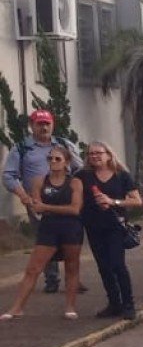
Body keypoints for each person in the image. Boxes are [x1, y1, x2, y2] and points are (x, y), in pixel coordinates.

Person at [1, 143, 84, 320]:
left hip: (71, 228)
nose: (53, 161)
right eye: (50, 158)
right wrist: (48, 207)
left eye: (57, 159)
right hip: (49, 228)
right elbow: (37, 208)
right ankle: (17, 307)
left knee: (71, 267)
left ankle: (70, 306)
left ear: (66, 162)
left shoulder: (74, 182)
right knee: (33, 268)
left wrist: (47, 207)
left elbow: (75, 209)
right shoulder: (39, 181)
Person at [8, 110, 81, 295]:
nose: (44, 127)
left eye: (47, 123)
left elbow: (79, 169)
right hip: (38, 202)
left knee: (71, 240)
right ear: (32, 126)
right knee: (46, 240)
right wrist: (23, 195)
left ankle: (73, 280)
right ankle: (52, 279)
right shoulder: (21, 148)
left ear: (53, 125)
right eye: (40, 124)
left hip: (65, 199)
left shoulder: (64, 145)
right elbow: (9, 176)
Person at [79, 142, 140, 320]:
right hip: (93, 226)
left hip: (115, 227)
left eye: (98, 153)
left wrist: (114, 202)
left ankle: (129, 304)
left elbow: (137, 201)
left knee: (117, 264)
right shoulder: (83, 176)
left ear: (108, 154)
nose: (94, 156)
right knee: (103, 267)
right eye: (91, 154)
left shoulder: (121, 176)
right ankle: (114, 303)